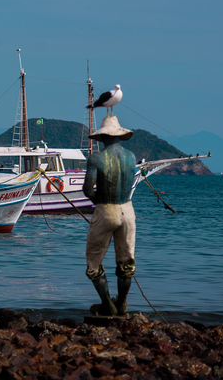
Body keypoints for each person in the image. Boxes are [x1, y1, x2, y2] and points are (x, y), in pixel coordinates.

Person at [83, 115, 137, 317]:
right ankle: (122, 304)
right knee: (126, 262)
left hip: (106, 210)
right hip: (128, 211)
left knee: (94, 262)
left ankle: (108, 304)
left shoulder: (96, 158)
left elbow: (88, 189)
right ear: (120, 136)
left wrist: (99, 201)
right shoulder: (131, 157)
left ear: (103, 137)